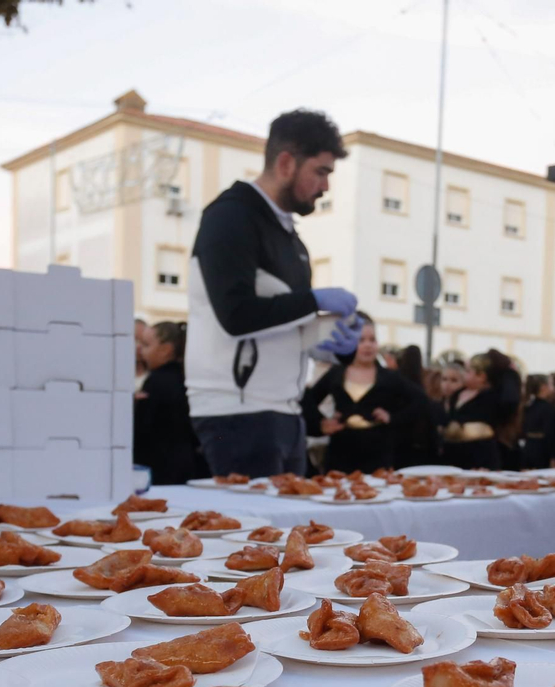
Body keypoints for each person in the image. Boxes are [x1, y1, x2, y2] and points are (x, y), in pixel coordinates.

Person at [184, 108, 363, 476]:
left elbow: (284, 322)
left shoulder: (291, 237)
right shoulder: (230, 216)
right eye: (321, 172)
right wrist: (313, 301)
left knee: (291, 531)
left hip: (284, 409)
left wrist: (327, 342)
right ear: (285, 163)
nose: (326, 186)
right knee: (259, 533)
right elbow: (236, 316)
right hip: (235, 411)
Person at [301, 314, 420, 473]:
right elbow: (309, 400)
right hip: (340, 454)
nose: (368, 345)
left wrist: (393, 417)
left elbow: (420, 400)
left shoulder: (389, 377)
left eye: (372, 340)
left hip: (378, 456)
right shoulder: (336, 373)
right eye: (361, 340)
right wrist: (322, 423)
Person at [132, 320, 203, 484]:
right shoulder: (185, 377)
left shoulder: (157, 381)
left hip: (160, 467)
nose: (140, 349)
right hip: (186, 463)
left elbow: (142, 428)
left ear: (165, 350)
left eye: (146, 345)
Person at [441, 352, 511, 469]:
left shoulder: (490, 397)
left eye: (468, 371)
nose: (464, 375)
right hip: (455, 455)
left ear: (481, 376)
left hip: (479, 455)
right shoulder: (458, 393)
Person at [520, 374, 555, 469]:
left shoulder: (528, 405)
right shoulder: (548, 408)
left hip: (528, 447)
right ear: (543, 387)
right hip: (541, 450)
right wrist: (553, 456)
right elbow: (550, 432)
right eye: (551, 384)